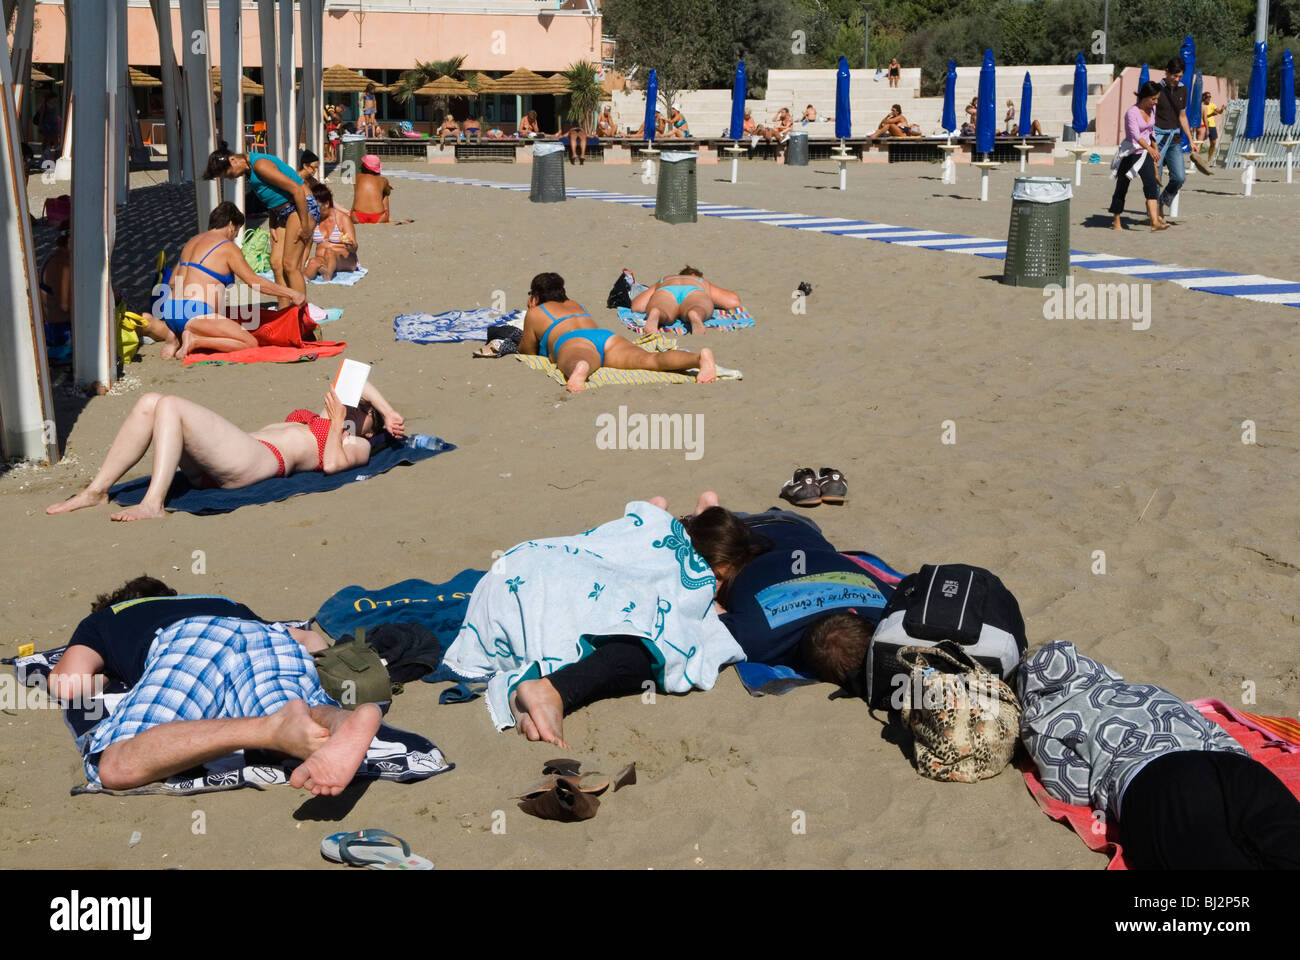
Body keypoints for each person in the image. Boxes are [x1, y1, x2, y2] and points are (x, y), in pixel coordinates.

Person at [508, 495, 895, 746]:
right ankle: (687, 522)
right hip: (755, 539)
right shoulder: (759, 635)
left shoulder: (884, 602)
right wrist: (562, 688)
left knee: (710, 540)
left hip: (789, 528)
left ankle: (699, 516)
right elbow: (661, 648)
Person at [447, 495, 764, 749]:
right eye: (719, 578)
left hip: (518, 565)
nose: (716, 588)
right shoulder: (686, 568)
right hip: (534, 591)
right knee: (668, 645)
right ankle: (548, 690)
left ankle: (538, 695)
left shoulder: (654, 527)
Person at [1019, 641, 1300, 870]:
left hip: (1158, 782)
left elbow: (1070, 787)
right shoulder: (1143, 689)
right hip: (1228, 767)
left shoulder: (1048, 720)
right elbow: (1213, 730)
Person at [62, 602, 380, 794]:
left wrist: (108, 675)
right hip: (268, 637)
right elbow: (310, 639)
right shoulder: (227, 603)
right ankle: (341, 721)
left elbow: (68, 684)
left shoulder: (107, 617)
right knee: (298, 717)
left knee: (116, 765)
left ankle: (268, 729)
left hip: (192, 639)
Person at [46, 382, 404, 521]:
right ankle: (96, 491)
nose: (355, 404)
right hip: (233, 454)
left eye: (363, 409)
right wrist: (386, 410)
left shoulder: (354, 441)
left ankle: (154, 503)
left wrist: (346, 421)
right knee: (150, 401)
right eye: (356, 402)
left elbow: (331, 466)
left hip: (260, 461)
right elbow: (359, 374)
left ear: (367, 426)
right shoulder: (329, 415)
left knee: (170, 403)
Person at [518, 272, 719, 393]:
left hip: (573, 341)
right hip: (605, 337)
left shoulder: (536, 313)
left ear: (535, 296)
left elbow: (527, 350)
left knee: (578, 360)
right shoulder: (575, 304)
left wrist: (532, 308)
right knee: (651, 360)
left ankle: (580, 369)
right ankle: (698, 358)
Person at [154, 202, 304, 359]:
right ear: (231, 226)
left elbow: (172, 281)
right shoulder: (227, 247)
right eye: (237, 232)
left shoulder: (192, 241)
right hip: (195, 313)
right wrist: (291, 293)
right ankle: (195, 340)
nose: (236, 236)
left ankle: (174, 336)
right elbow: (253, 281)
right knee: (250, 343)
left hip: (170, 309)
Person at [203, 143, 319, 306]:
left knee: (290, 265)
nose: (230, 178)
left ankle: (301, 314)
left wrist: (306, 225)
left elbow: (297, 190)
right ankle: (284, 311)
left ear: (233, 160)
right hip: (283, 213)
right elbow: (274, 195)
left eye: (228, 174)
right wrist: (272, 224)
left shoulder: (260, 165)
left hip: (300, 208)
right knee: (276, 263)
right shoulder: (250, 170)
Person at [1108, 81, 1169, 232]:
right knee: (1122, 186)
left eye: (1157, 99)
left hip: (1145, 153)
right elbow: (1135, 135)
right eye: (1153, 99)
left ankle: (1154, 221)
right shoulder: (1131, 113)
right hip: (1130, 153)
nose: (1156, 102)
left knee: (1151, 185)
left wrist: (1154, 147)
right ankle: (1116, 220)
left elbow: (1150, 130)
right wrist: (1150, 148)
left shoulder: (1152, 109)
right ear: (1145, 97)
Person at [628, 266, 741, 336]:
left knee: (663, 308)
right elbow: (733, 301)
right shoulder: (699, 281)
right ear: (694, 275)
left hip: (666, 290)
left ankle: (658, 312)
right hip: (694, 291)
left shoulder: (666, 279)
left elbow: (637, 305)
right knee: (698, 307)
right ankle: (695, 313)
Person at [1152, 56, 1195, 222]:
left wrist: (1190, 140)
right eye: (1174, 76)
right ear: (1166, 72)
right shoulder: (1156, 89)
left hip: (1175, 139)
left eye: (1180, 77)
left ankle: (1163, 201)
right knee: (1156, 178)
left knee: (1179, 177)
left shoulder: (1183, 90)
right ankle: (1154, 213)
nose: (1176, 80)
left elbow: (1182, 116)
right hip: (1157, 139)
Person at [305, 182, 359, 282]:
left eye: (316, 207)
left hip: (345, 261)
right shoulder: (314, 219)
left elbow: (354, 248)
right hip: (323, 259)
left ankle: (327, 279)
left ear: (326, 204)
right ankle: (304, 281)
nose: (313, 210)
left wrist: (350, 245)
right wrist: (299, 267)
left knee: (330, 253)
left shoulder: (342, 219)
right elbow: (307, 247)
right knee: (313, 262)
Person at [351, 154, 392, 224]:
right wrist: (387, 187)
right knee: (385, 194)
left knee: (358, 192)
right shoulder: (383, 180)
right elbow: (388, 192)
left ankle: (354, 211)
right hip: (379, 217)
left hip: (357, 217)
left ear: (363, 166)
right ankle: (386, 216)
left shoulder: (355, 177)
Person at [1201, 91, 1221, 166]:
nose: (1209, 98)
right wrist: (1212, 114)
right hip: (1203, 125)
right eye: (1208, 97)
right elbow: (1203, 117)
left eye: (1210, 97)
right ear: (1204, 98)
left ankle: (1209, 159)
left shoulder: (1212, 105)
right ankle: (1196, 158)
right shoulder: (1202, 106)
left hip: (1212, 126)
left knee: (1213, 143)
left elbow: (1219, 112)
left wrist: (1221, 109)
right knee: (1200, 142)